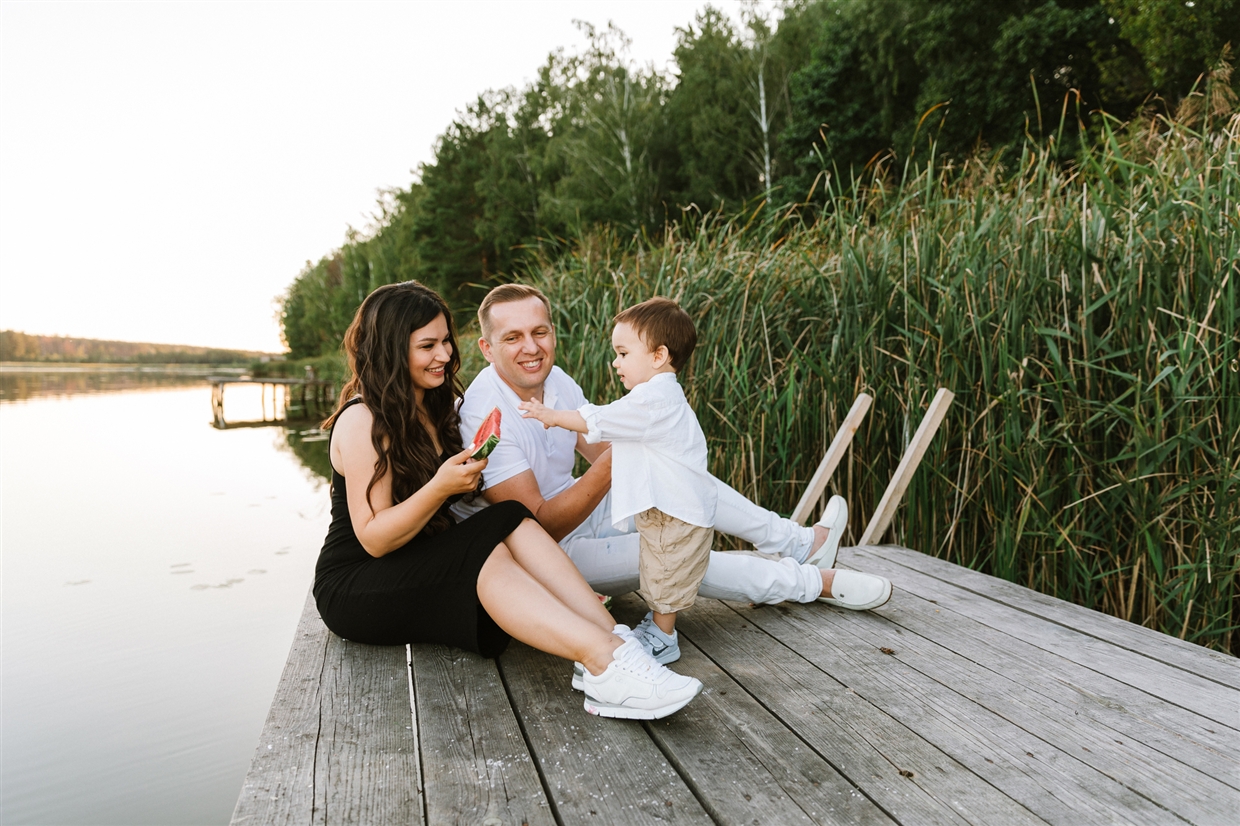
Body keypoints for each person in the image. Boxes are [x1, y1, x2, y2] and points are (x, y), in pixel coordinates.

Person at [311, 281, 703, 720]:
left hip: (416, 561)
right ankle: (602, 661)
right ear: (389, 349)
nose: (443, 355)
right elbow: (374, 539)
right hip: (358, 584)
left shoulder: (437, 406)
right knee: (482, 548)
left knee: (509, 514)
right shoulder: (363, 420)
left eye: (445, 342)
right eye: (427, 346)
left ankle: (618, 644)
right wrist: (441, 486)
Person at [451, 284, 893, 666]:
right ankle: (814, 584)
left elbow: (601, 450)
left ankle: (800, 543)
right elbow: (541, 524)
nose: (531, 347)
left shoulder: (557, 379)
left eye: (540, 332)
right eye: (513, 337)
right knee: (673, 557)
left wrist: (652, 451)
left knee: (680, 478)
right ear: (487, 349)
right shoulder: (482, 411)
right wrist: (629, 451)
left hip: (580, 506)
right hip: (546, 553)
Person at [520, 297, 715, 665]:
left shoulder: (653, 398)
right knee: (660, 569)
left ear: (658, 356)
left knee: (663, 572)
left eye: (623, 353)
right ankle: (660, 626)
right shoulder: (659, 395)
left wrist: (550, 415)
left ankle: (663, 637)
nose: (615, 362)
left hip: (676, 512)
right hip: (672, 508)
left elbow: (602, 419)